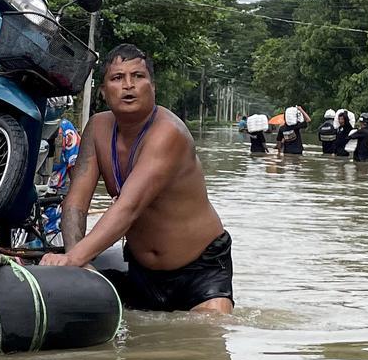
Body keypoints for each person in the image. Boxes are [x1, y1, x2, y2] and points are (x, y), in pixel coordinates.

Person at [40, 43, 233, 314]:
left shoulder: (168, 132)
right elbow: (75, 202)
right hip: (141, 272)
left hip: (201, 271)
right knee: (136, 351)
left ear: (153, 87)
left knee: (204, 340)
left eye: (138, 76)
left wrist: (74, 257)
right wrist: (75, 259)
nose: (128, 85)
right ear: (103, 91)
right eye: (117, 78)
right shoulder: (97, 128)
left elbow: (128, 208)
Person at [40, 117, 81, 247]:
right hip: (19, 218)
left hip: (52, 210)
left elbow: (77, 173)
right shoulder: (14, 124)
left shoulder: (65, 129)